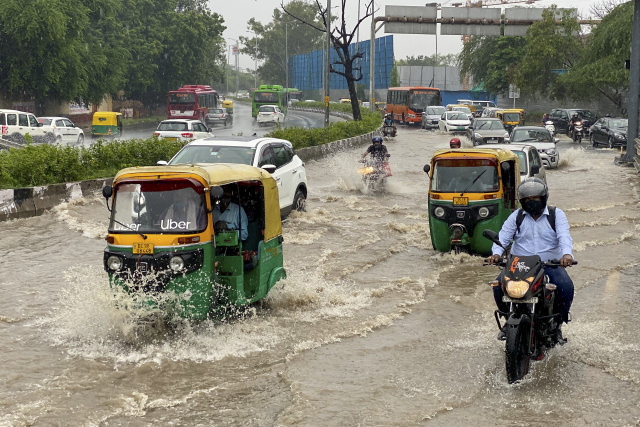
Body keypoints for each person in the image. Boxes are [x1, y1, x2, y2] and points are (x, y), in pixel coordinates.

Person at [487, 178, 574, 340]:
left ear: (544, 198)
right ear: (522, 201)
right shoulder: (516, 216)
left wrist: (567, 255)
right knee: (499, 286)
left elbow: (564, 237)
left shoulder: (556, 215)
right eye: (527, 200)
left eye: (535, 199)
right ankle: (508, 320)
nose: (531, 202)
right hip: (519, 266)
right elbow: (503, 237)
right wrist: (496, 254)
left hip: (549, 265)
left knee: (565, 287)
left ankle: (557, 324)